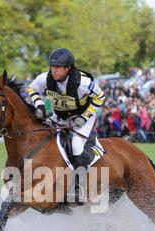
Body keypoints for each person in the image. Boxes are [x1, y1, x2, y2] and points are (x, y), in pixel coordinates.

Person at [28, 48, 105, 202]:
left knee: (76, 144)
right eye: (52, 66)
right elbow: (31, 89)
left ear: (68, 68)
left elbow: (100, 97)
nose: (54, 70)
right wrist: (40, 105)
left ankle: (78, 187)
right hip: (60, 115)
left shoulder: (82, 83)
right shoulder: (45, 78)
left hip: (82, 117)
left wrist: (84, 117)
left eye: (58, 67)